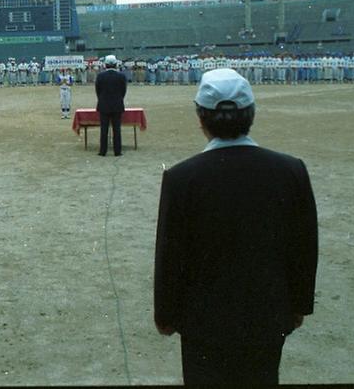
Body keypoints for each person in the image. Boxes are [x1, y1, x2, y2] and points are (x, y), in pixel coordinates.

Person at [153, 68, 318, 385]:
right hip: (267, 316)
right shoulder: (290, 170)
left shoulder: (181, 177)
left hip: (202, 322)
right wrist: (299, 306)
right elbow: (304, 246)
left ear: (201, 119)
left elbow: (171, 254)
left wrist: (165, 315)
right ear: (252, 114)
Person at [94, 54, 127, 156]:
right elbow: (123, 91)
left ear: (105, 65)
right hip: (117, 105)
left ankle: (103, 151)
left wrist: (102, 99)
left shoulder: (100, 76)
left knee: (104, 130)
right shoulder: (121, 76)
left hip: (104, 105)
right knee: (117, 130)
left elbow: (97, 91)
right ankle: (117, 151)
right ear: (116, 64)